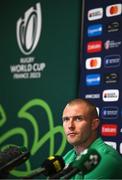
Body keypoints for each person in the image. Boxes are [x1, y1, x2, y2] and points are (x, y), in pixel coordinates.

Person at [62, 98, 122, 179]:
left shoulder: (105, 159)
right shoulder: (68, 156)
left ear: (94, 124)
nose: (70, 126)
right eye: (66, 119)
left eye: (78, 119)